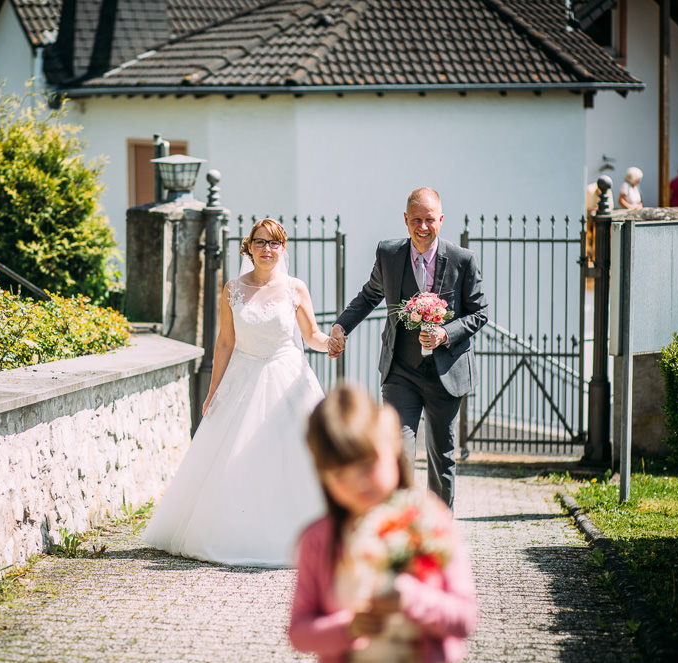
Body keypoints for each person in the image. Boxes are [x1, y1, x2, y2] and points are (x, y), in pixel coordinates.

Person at [141, 218, 330, 567]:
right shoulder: (233, 289)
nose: (267, 249)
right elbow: (226, 341)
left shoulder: (295, 289)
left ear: (282, 249)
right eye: (260, 242)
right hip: (243, 377)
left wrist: (330, 342)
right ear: (249, 247)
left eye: (274, 244)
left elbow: (311, 335)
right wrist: (214, 390)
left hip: (289, 379)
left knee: (296, 457)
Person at [288, 384, 478, 663]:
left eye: (367, 465)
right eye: (340, 473)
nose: (358, 483)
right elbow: (300, 632)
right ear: (323, 477)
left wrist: (411, 598)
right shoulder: (319, 540)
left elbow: (465, 617)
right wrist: (349, 627)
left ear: (390, 448)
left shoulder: (429, 519)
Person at [327, 188, 488, 509]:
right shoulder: (388, 255)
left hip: (446, 373)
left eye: (430, 219)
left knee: (442, 457)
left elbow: (479, 312)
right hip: (401, 371)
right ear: (405, 220)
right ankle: (398, 526)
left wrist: (445, 334)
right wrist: (341, 325)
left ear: (441, 220)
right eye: (416, 219)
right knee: (396, 452)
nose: (423, 226)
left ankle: (438, 531)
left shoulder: (462, 260)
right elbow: (369, 295)